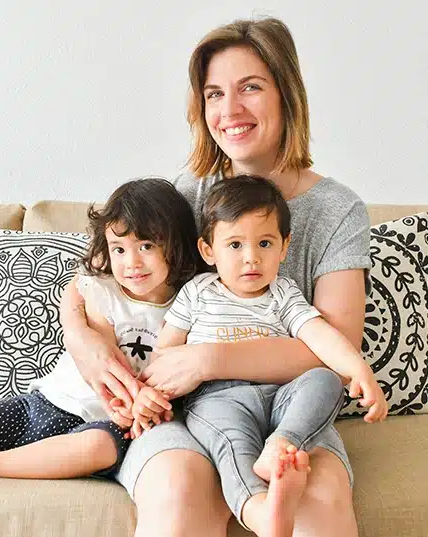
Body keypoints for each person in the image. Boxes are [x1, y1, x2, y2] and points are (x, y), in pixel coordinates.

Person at [61, 17, 374, 537]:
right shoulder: (188, 193)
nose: (229, 110)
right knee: (180, 488)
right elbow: (91, 276)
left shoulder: (336, 210)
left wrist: (206, 358)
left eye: (250, 87)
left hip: (293, 410)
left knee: (317, 499)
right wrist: (84, 340)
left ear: (286, 94)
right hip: (187, 413)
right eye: (214, 94)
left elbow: (336, 350)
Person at [0, 178, 200, 484]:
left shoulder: (189, 303)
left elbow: (174, 369)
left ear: (177, 244)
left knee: (98, 448)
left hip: (105, 424)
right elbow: (106, 359)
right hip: (47, 403)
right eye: (118, 249)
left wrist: (145, 404)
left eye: (146, 246)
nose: (131, 262)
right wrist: (134, 397)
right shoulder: (102, 291)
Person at [132, 176, 386, 537]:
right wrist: (149, 395)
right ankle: (262, 513)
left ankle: (285, 443)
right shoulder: (197, 293)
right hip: (218, 398)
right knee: (231, 447)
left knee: (325, 379)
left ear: (285, 248)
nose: (251, 257)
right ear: (208, 251)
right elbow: (165, 355)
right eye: (234, 244)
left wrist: (359, 370)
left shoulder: (284, 292)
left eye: (264, 243)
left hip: (282, 395)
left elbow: (319, 336)